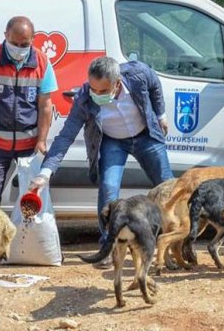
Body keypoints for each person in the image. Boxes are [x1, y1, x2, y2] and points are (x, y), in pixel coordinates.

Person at [29, 56, 173, 269]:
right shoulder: (84, 98)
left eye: (102, 91)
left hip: (146, 137)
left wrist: (160, 114)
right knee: (108, 189)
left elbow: (154, 85)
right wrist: (45, 173)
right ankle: (108, 247)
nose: (96, 95)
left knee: (167, 188)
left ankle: (173, 247)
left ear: (117, 83)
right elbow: (65, 137)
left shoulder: (138, 74)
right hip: (112, 142)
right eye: (93, 89)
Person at [0, 16, 58, 265]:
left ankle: (25, 247)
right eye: (15, 42)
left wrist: (41, 140)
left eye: (25, 43)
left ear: (32, 40)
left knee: (31, 196)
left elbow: (46, 105)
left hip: (28, 143)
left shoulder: (42, 62)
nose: (20, 48)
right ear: (5, 35)